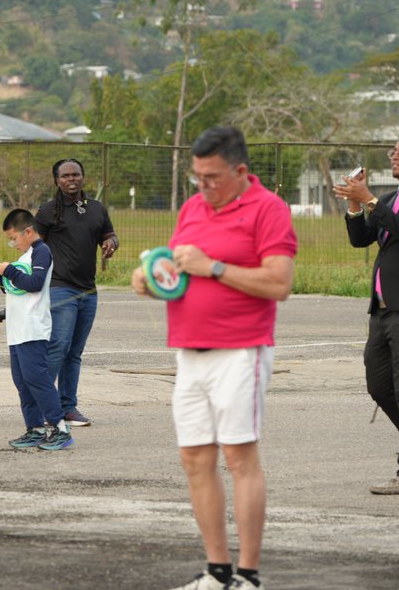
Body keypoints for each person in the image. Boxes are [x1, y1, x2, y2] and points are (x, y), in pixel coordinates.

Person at [131, 126, 296, 590]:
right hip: (189, 352)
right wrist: (150, 277)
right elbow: (178, 269)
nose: (203, 186)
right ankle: (217, 571)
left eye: (213, 177)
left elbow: (279, 283)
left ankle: (248, 575)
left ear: (240, 171)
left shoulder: (268, 209)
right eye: (197, 176)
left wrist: (215, 268)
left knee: (240, 458)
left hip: (241, 351)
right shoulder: (193, 207)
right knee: (194, 460)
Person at [332, 135, 399, 495]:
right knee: (378, 385)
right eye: (393, 151)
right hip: (382, 310)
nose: (395, 155)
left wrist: (370, 199)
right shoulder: (389, 199)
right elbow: (361, 239)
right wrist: (357, 209)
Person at [34, 158, 118, 426]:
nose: (72, 179)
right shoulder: (48, 212)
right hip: (60, 288)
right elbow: (34, 248)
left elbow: (110, 235)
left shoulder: (96, 209)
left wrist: (110, 243)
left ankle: (68, 408)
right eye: (65, 176)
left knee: (75, 352)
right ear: (57, 180)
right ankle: (45, 409)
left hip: (88, 291)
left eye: (76, 174)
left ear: (83, 177)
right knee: (58, 346)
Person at [0, 208, 74, 452]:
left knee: (37, 378)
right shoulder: (25, 256)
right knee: (22, 381)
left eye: (14, 238)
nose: (12, 243)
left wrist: (8, 270)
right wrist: (1, 279)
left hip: (33, 329)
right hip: (17, 330)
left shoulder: (41, 252)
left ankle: (60, 428)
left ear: (29, 231)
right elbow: (18, 288)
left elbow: (34, 284)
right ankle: (34, 429)